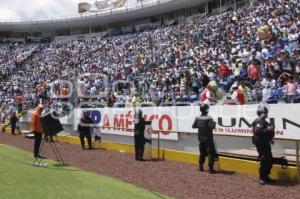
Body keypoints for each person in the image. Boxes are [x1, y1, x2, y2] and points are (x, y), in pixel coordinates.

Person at [252, 104, 275, 185]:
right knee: (264, 160)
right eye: (265, 112)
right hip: (261, 144)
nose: (267, 114)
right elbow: (258, 131)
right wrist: (268, 129)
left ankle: (266, 176)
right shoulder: (258, 120)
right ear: (262, 113)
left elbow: (265, 132)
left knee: (269, 159)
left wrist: (270, 139)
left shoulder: (264, 121)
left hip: (265, 143)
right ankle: (262, 177)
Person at [192, 104, 217, 174]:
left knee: (202, 152)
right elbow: (212, 126)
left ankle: (201, 167)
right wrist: (214, 123)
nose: (208, 110)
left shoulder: (197, 118)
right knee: (210, 153)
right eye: (207, 109)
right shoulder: (209, 118)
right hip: (208, 138)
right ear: (206, 110)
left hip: (200, 138)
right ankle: (211, 169)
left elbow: (193, 126)